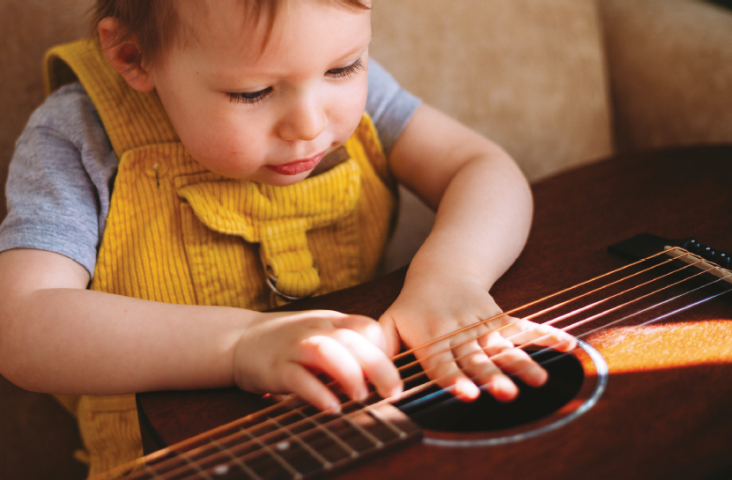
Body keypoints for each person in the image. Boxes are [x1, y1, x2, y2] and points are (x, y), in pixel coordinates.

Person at [0, 0, 576, 476]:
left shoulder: (352, 95)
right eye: (253, 93)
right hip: (179, 458)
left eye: (344, 67)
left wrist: (452, 274)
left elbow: (480, 166)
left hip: (377, 431)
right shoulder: (79, 137)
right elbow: (21, 322)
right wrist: (239, 344)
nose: (310, 124)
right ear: (135, 56)